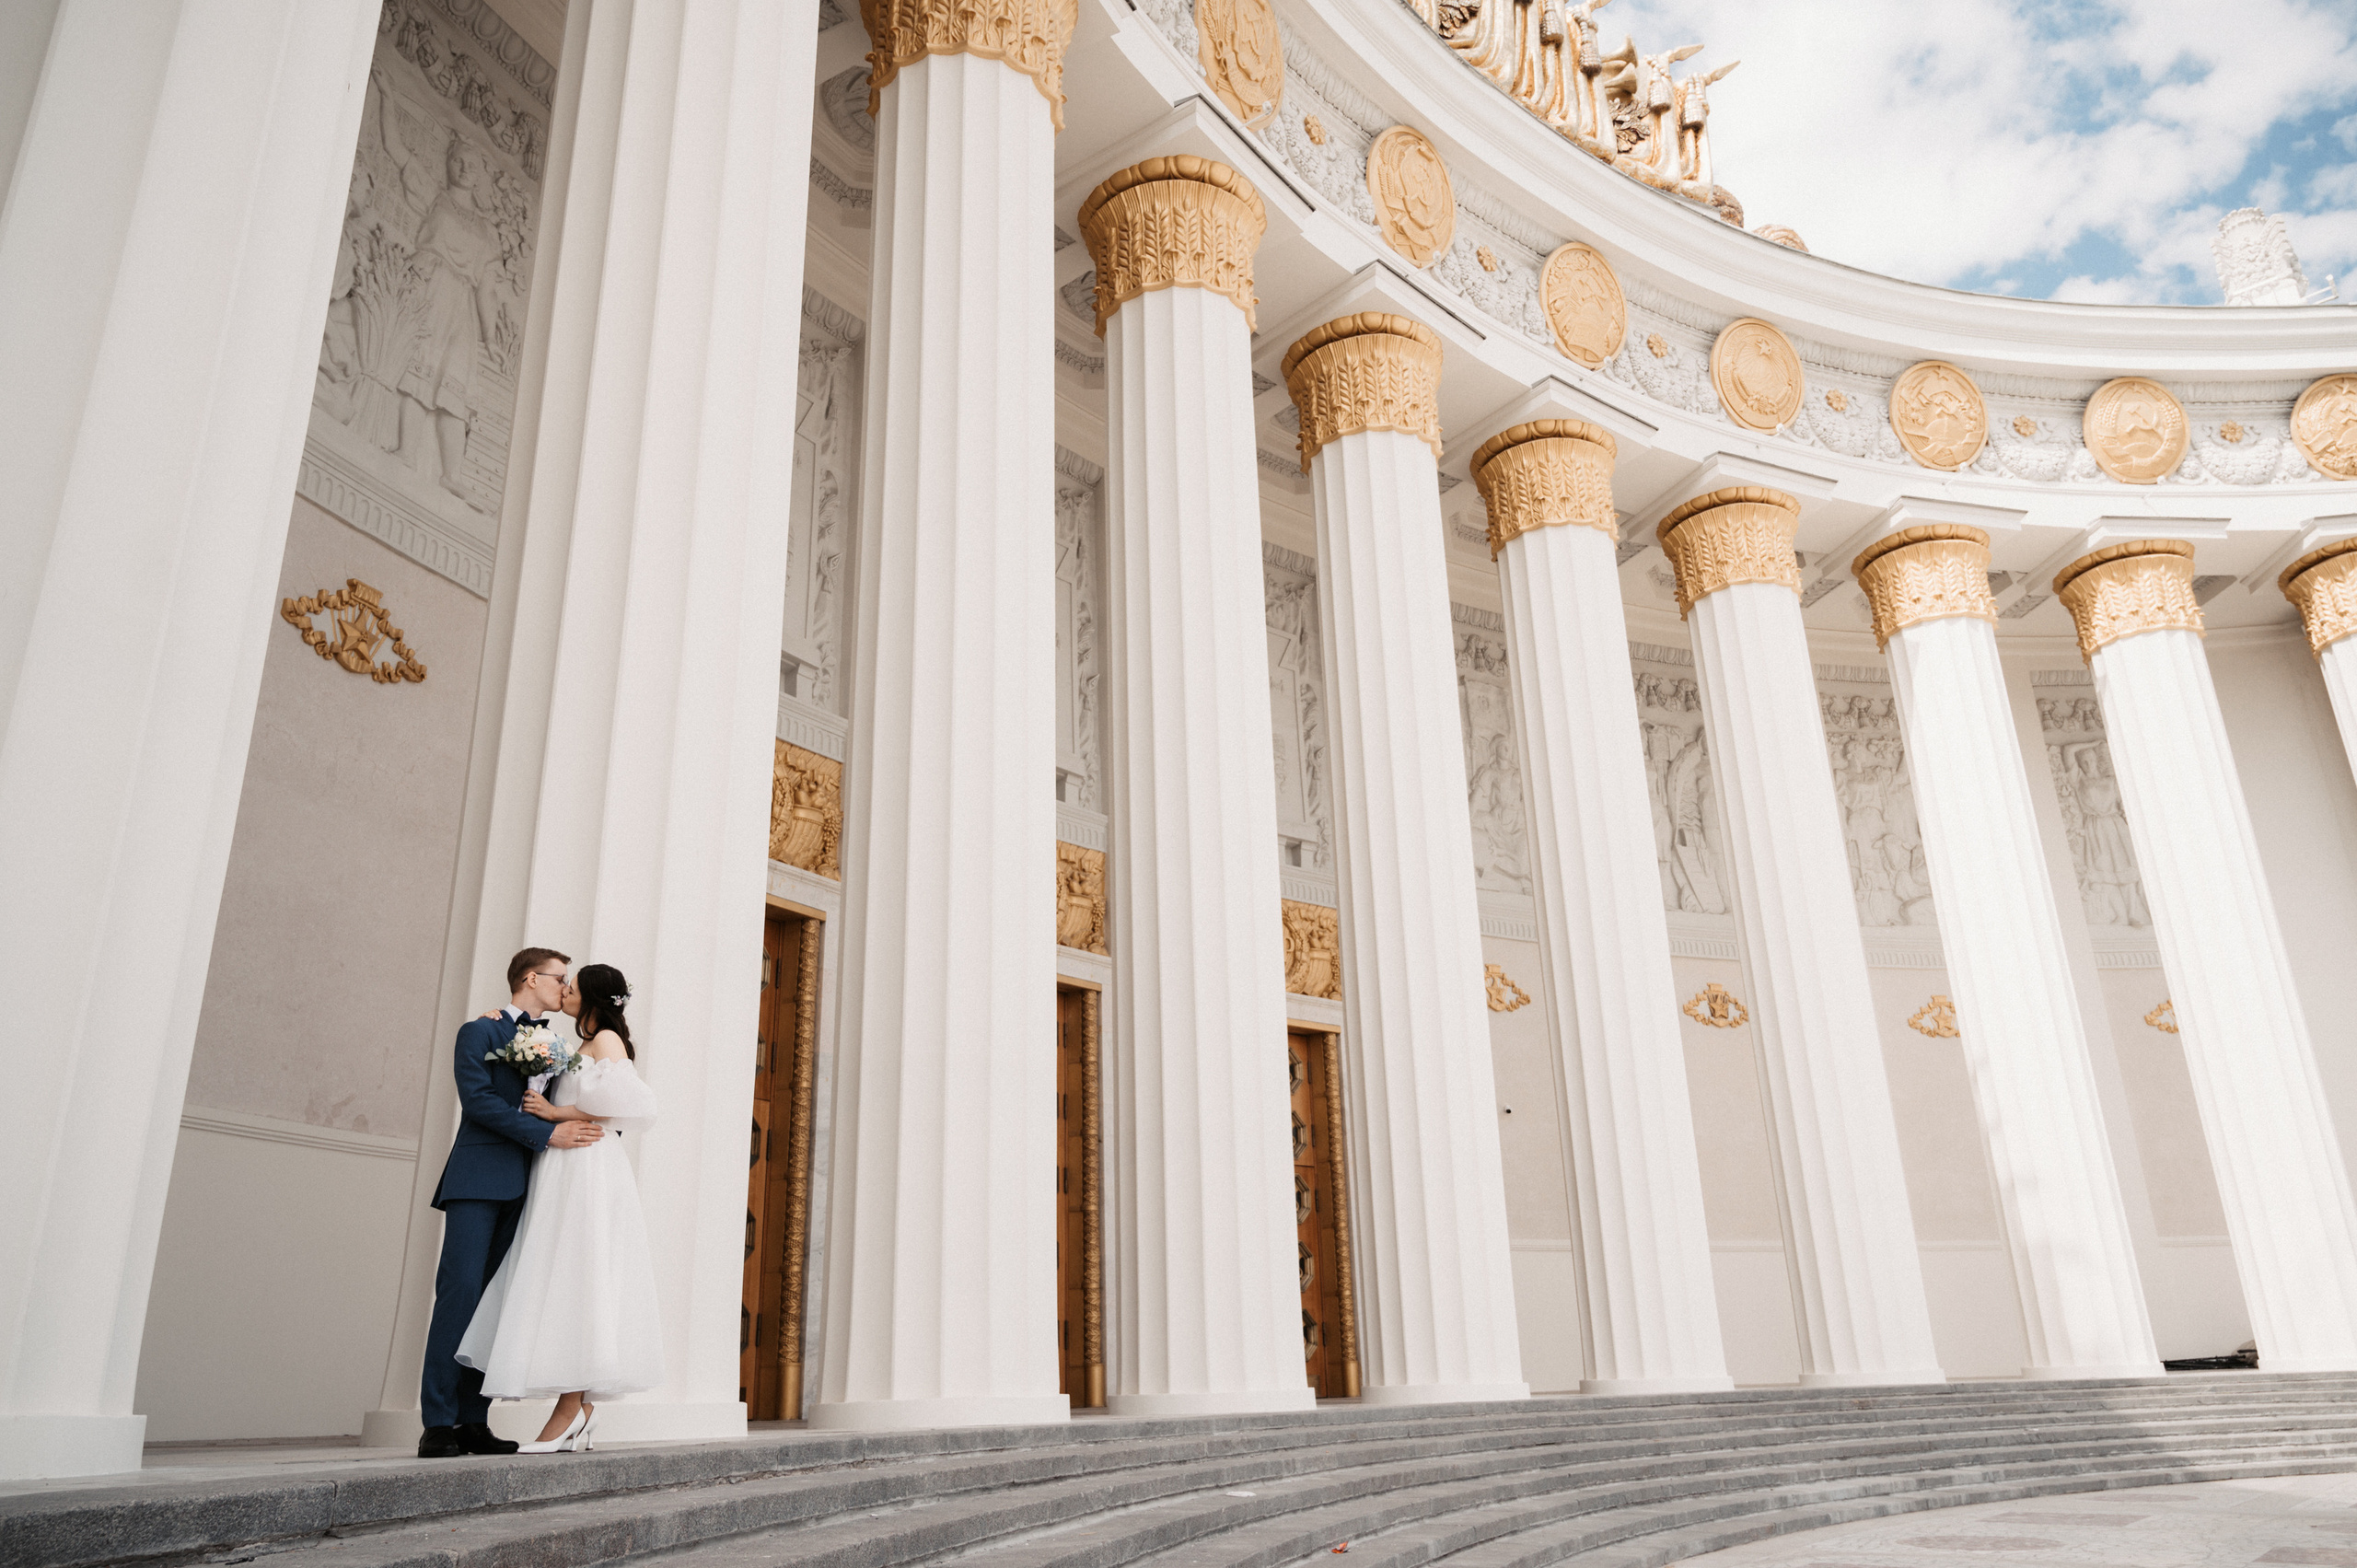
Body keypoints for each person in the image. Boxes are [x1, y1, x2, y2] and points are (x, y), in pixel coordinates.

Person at [457, 964, 664, 1453]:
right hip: (561, 1168)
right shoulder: (576, 1045)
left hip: (587, 1167)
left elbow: (634, 1104)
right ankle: (577, 1413)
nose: (565, 992)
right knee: (563, 1277)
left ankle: (572, 1410)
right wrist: (502, 1025)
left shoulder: (608, 1039)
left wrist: (557, 1113)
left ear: (589, 996)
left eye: (571, 987)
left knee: (580, 1276)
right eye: (561, 983)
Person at [419, 947, 602, 1459]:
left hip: (532, 1187)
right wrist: (548, 1136)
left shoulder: (561, 1045)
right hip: (479, 1179)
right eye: (559, 978)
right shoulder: (480, 1031)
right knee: (459, 1296)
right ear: (530, 978)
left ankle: (475, 1421)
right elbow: (478, 1102)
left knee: (496, 1306)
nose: (565, 988)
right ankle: (438, 1423)